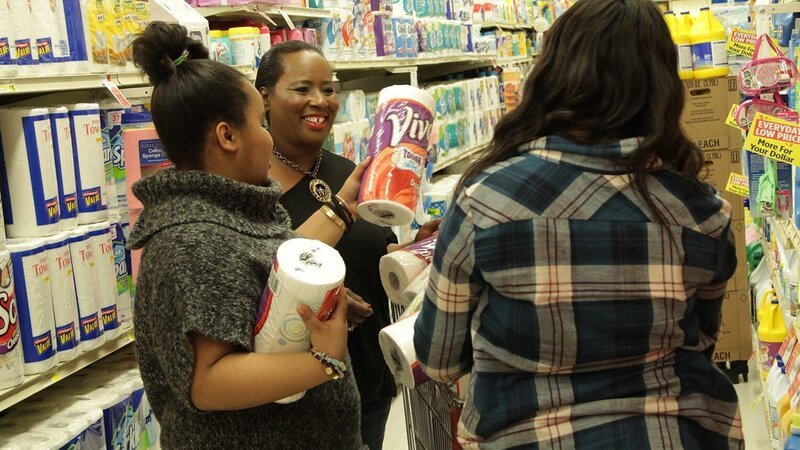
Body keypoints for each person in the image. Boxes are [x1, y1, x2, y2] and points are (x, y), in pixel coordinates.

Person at [413, 0, 745, 448]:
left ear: (551, 76)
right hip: (674, 434)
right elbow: (701, 338)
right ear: (664, 86)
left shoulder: (486, 201)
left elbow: (438, 361)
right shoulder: (705, 213)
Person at [129, 22, 370, 449]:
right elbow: (210, 382)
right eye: (260, 123)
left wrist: (312, 302)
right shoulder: (193, 240)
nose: (267, 136)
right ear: (227, 136)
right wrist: (324, 361)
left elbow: (249, 300)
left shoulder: (234, 211)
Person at [254, 41, 439, 450]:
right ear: (264, 97)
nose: (319, 101)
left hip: (369, 374)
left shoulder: (348, 171)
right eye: (302, 89)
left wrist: (417, 250)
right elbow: (263, 271)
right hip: (299, 388)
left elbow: (370, 254)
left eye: (328, 89)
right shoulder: (254, 184)